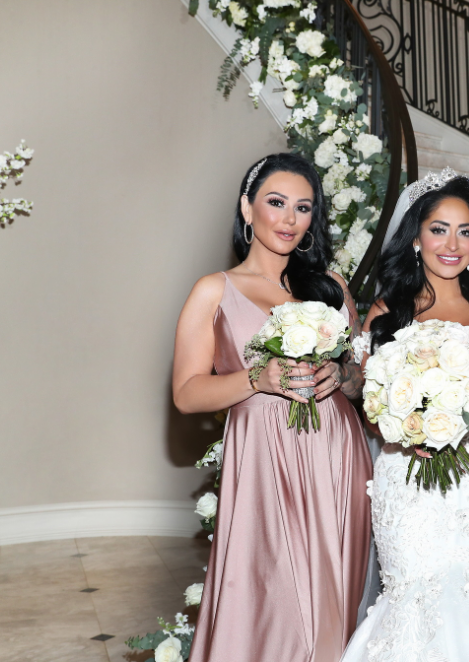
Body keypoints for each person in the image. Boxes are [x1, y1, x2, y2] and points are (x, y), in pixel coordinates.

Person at [340, 167, 469, 662]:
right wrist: (404, 427)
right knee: (417, 595)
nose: (452, 243)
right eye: (439, 229)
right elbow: (372, 409)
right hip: (410, 477)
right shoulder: (389, 312)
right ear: (416, 237)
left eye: (465, 231)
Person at [172, 153, 372, 662]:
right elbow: (187, 393)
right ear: (247, 207)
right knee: (276, 602)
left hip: (336, 454)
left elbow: (362, 381)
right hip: (263, 459)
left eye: (303, 208)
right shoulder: (214, 290)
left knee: (330, 604)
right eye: (276, 203)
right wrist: (257, 378)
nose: (288, 219)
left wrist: (342, 376)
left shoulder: (331, 288)